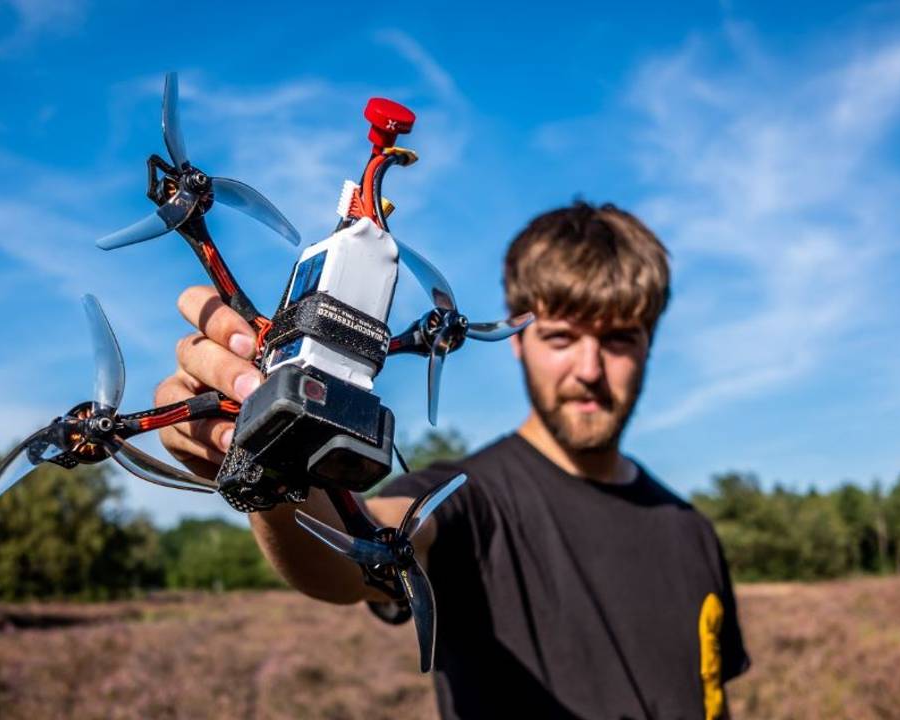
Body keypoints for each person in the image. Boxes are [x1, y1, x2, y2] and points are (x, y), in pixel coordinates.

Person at [155, 201, 750, 719]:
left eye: (619, 337)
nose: (590, 371)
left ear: (649, 344)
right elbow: (353, 551)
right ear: (516, 338)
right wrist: (274, 454)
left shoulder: (690, 531)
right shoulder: (467, 500)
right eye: (562, 338)